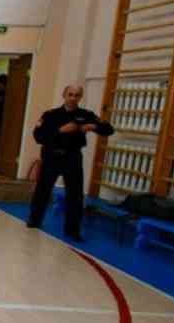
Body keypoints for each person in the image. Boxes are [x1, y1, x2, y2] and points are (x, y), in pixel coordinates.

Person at [27, 85, 114, 241]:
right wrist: (60, 131)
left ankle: (73, 230)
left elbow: (108, 129)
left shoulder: (85, 115)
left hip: (72, 158)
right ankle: (35, 219)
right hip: (52, 156)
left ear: (81, 97)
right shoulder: (51, 115)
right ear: (64, 95)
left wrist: (93, 126)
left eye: (77, 95)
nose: (73, 98)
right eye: (70, 94)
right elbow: (38, 136)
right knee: (43, 190)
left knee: (75, 195)